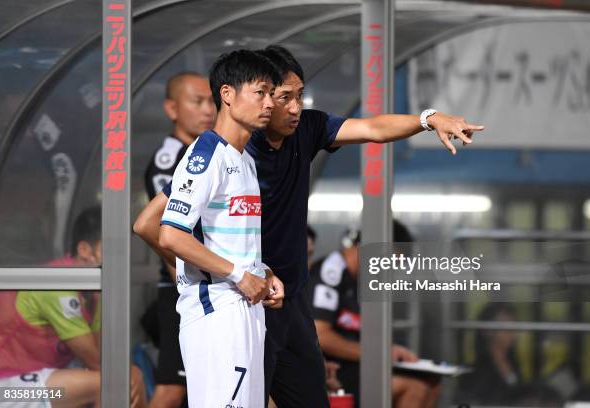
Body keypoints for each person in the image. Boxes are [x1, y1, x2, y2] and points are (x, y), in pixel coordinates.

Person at [133, 45, 483, 407]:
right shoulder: (221, 151)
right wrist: (209, 275)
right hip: (235, 301)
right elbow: (153, 224)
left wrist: (429, 118)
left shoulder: (287, 138)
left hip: (283, 295)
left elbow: (373, 128)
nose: (289, 106)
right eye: (276, 95)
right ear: (235, 96)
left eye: (294, 95)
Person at [156, 49, 284, 407]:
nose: (270, 102)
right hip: (218, 312)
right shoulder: (207, 152)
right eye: (260, 92)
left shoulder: (244, 159)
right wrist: (238, 274)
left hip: (245, 308)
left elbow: (234, 244)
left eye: (272, 93)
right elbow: (170, 233)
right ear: (227, 94)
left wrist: (263, 273)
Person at [0, 207, 146, 408]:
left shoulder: (92, 289)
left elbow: (104, 352)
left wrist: (131, 372)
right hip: (6, 390)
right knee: (108, 384)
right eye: (109, 248)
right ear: (84, 250)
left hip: (41, 379)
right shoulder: (59, 282)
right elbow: (96, 362)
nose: (118, 256)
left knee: (122, 381)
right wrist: (131, 372)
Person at [143, 71, 216, 408]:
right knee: (172, 389)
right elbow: (159, 228)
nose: (208, 110)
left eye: (212, 102)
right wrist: (182, 277)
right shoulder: (170, 158)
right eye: (197, 101)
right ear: (172, 109)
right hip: (182, 288)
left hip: (212, 283)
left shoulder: (208, 153)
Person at [307, 228, 440, 408]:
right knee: (414, 388)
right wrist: (381, 354)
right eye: (391, 262)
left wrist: (390, 351)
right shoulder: (330, 273)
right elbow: (321, 336)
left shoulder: (361, 282)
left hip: (355, 365)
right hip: (329, 370)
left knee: (432, 383)